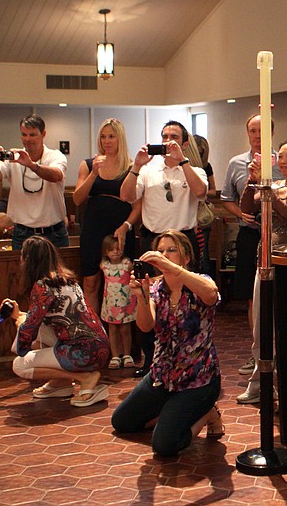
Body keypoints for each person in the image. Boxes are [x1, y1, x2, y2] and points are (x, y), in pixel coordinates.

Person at [111, 230, 223, 457]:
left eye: (172, 250)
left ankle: (207, 413)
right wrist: (141, 297)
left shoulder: (201, 282)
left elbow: (211, 294)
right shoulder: (155, 288)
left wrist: (172, 268)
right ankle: (172, 412)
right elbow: (145, 326)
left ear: (186, 257)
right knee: (122, 421)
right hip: (162, 377)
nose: (164, 255)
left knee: (164, 446)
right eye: (160, 250)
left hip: (198, 380)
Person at [120, 120, 208, 378]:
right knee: (149, 297)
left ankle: (188, 357)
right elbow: (126, 196)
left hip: (183, 241)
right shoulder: (148, 168)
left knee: (187, 300)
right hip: (153, 240)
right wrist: (136, 165)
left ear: (183, 142)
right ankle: (151, 361)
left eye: (174, 137)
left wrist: (183, 162)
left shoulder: (193, 168)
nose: (168, 141)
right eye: (164, 136)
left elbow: (202, 192)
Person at [237, 139, 287, 403]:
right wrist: (252, 181)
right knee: (261, 328)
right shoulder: (275, 186)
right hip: (265, 264)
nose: (283, 162)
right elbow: (247, 207)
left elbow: (286, 213)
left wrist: (267, 186)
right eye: (280, 157)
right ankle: (259, 383)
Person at [8, 236, 111, 407]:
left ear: (28, 260)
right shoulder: (67, 280)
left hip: (84, 353)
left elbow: (26, 334)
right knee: (36, 333)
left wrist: (18, 319)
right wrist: (21, 316)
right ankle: (60, 383)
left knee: (20, 365)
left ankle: (85, 378)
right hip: (98, 346)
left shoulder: (43, 286)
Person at [220, 113, 282, 377]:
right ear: (248, 134)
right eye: (253, 131)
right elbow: (226, 198)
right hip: (249, 235)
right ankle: (257, 352)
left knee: (279, 296)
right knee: (252, 297)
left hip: (278, 236)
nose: (257, 136)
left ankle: (279, 353)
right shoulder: (236, 163)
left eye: (262, 130)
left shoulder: (283, 161)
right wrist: (239, 213)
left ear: (271, 132)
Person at [73, 118, 141, 315]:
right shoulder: (88, 165)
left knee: (120, 281)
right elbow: (77, 198)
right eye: (103, 137)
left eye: (111, 136)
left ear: (120, 138)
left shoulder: (131, 167)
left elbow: (138, 207)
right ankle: (93, 334)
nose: (107, 141)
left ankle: (123, 333)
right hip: (93, 227)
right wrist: (94, 173)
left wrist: (125, 226)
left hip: (118, 229)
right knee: (91, 281)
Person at [0, 114, 69, 250]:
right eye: (24, 135)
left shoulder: (55, 156)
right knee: (23, 272)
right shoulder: (13, 157)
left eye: (32, 135)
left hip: (54, 233)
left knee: (59, 271)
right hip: (22, 233)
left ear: (43, 134)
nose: (27, 139)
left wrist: (31, 165)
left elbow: (56, 175)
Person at [99, 234, 137, 370]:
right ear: (106, 252)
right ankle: (115, 355)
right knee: (113, 329)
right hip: (110, 303)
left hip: (125, 302)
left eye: (118, 248)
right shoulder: (104, 266)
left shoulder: (127, 264)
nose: (115, 252)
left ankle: (127, 354)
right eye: (112, 249)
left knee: (126, 329)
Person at [190, 134, 216, 275]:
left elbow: (213, 190)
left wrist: (201, 191)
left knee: (203, 253)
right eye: (197, 152)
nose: (199, 156)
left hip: (200, 214)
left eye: (202, 153)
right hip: (186, 212)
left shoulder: (205, 167)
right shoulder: (185, 167)